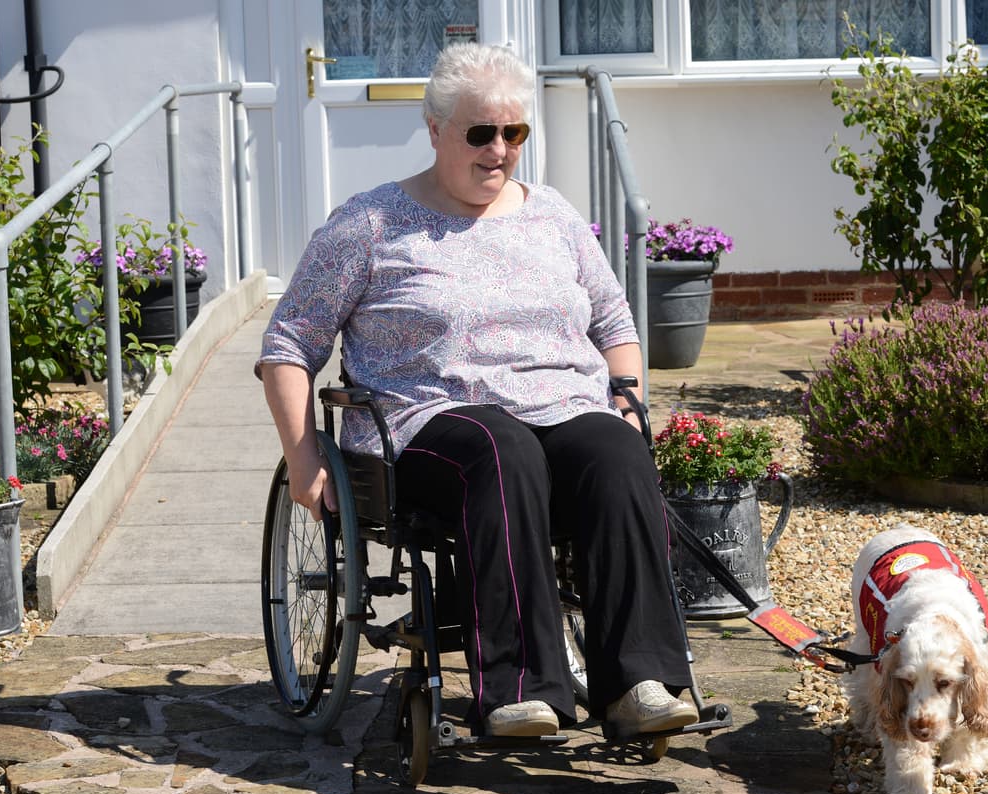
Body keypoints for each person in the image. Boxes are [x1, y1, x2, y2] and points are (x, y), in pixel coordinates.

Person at [256, 42, 699, 739]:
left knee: (616, 452)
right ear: (435, 130)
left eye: (514, 132)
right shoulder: (369, 225)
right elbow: (288, 345)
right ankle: (521, 690)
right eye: (481, 133)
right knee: (502, 448)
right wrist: (305, 455)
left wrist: (625, 398)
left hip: (560, 409)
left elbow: (614, 320)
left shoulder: (552, 215)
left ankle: (641, 683)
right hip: (427, 422)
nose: (499, 150)